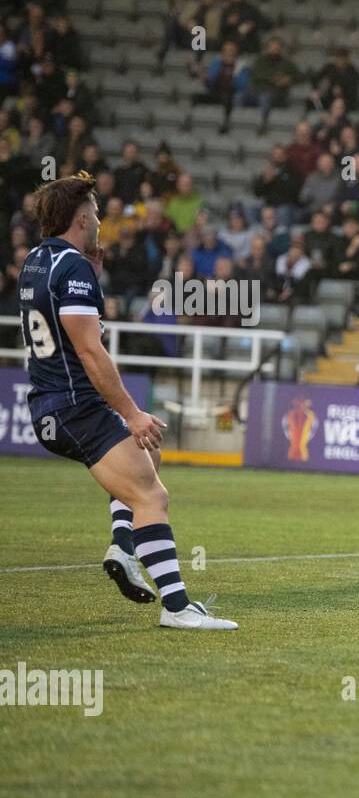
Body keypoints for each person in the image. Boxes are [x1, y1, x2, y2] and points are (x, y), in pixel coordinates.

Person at [18, 172, 236, 629]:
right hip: (75, 405)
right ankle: (176, 608)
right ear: (80, 217)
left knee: (144, 452)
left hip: (48, 405)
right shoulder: (71, 268)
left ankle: (123, 545)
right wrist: (130, 412)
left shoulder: (37, 260)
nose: (100, 218)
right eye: (96, 211)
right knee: (152, 495)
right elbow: (89, 350)